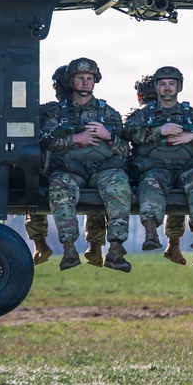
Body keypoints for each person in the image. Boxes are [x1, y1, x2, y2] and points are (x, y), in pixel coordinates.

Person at [40, 57, 132, 272]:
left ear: (95, 81)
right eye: (80, 78)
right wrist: (74, 139)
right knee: (59, 188)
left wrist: (108, 135)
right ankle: (69, 249)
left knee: (119, 186)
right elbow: (43, 141)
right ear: (71, 81)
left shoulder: (108, 113)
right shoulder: (56, 113)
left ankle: (116, 250)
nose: (85, 82)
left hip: (104, 169)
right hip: (70, 168)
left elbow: (125, 150)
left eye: (89, 78)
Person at [125, 66, 193, 262]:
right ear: (156, 87)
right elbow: (129, 133)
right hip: (156, 168)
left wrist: (192, 137)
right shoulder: (144, 115)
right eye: (163, 84)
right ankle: (151, 233)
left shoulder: (192, 115)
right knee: (150, 183)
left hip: (189, 168)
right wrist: (159, 131)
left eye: (171, 84)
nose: (167, 88)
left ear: (179, 87)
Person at [27, 66, 108, 266]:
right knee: (96, 201)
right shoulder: (95, 111)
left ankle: (40, 243)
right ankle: (95, 246)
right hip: (70, 170)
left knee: (31, 192)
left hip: (51, 171)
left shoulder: (46, 110)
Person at [135, 75, 189, 265]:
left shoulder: (182, 114)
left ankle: (173, 243)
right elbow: (129, 133)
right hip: (148, 169)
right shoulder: (138, 117)